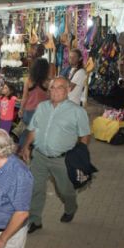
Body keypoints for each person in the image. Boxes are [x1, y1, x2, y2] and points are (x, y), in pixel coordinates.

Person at [21, 77, 91, 233]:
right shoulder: (42, 107)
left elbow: (85, 135)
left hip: (63, 160)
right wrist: (26, 146)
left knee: (65, 191)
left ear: (67, 90)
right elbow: (33, 129)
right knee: (35, 188)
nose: (55, 91)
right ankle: (35, 220)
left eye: (60, 87)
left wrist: (80, 156)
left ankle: (71, 207)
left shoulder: (77, 111)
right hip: (39, 156)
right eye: (52, 87)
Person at [19, 58, 50, 149]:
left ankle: (22, 150)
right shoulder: (48, 82)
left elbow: (25, 97)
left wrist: (21, 109)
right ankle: (37, 151)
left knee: (25, 132)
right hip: (43, 112)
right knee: (40, 132)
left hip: (29, 111)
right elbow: (50, 98)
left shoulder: (28, 80)